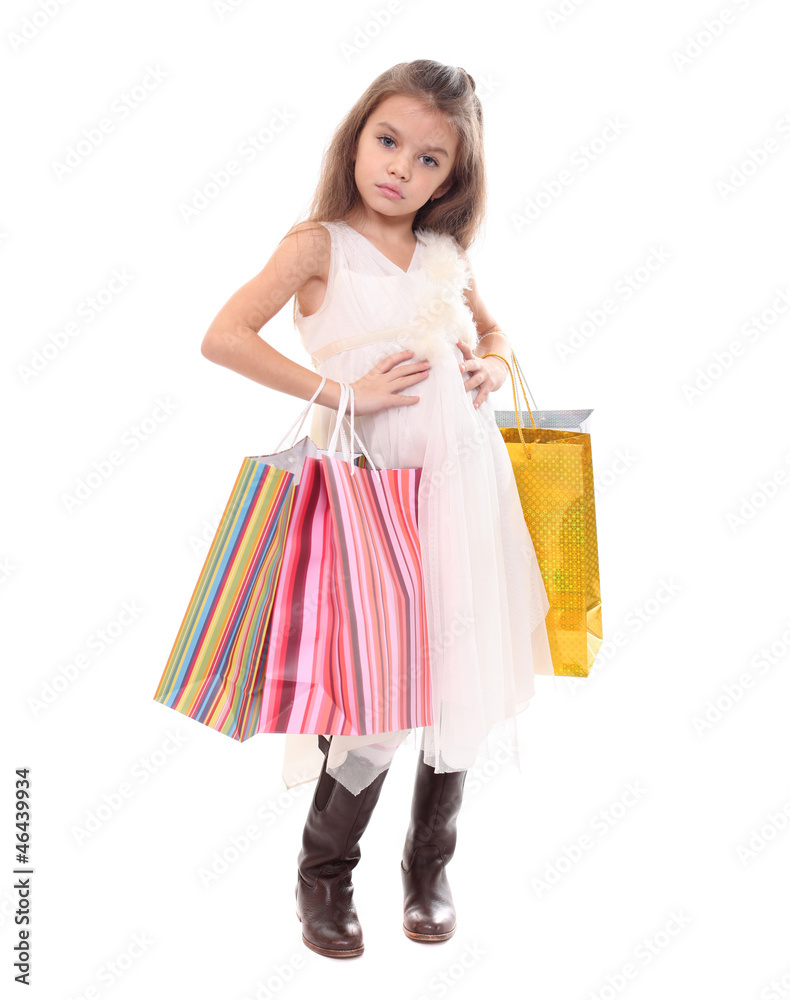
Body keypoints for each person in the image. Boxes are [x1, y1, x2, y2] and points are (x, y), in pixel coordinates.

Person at [198, 59, 553, 959]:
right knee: (377, 684)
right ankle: (326, 875)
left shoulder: (442, 256)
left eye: (431, 160)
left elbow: (498, 333)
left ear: (453, 177)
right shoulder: (318, 246)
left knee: (462, 665)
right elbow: (223, 336)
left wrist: (489, 363)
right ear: (358, 134)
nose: (401, 168)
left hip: (464, 487)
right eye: (388, 141)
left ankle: (429, 868)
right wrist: (339, 387)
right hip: (373, 490)